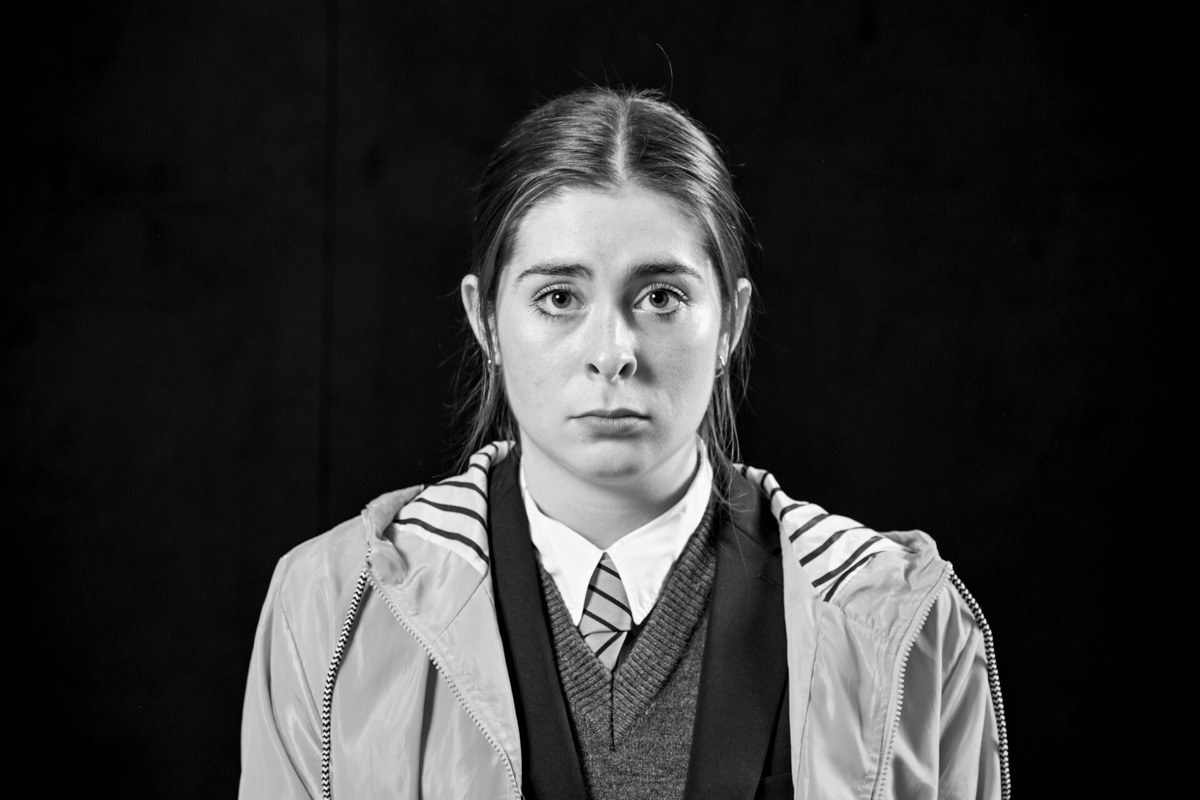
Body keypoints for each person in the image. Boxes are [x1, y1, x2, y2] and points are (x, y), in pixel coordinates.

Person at [239, 87, 1009, 800]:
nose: (613, 352)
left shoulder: (907, 624)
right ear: (486, 321)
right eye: (559, 298)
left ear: (731, 322)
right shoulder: (330, 610)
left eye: (660, 297)